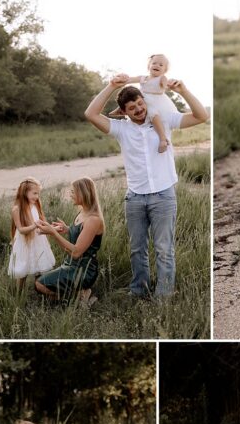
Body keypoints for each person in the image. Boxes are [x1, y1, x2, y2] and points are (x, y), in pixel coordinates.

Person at [84, 73, 209, 298]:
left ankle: (164, 295)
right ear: (124, 112)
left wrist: (183, 91)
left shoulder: (163, 120)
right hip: (135, 198)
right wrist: (111, 86)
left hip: (163, 196)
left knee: (164, 249)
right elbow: (90, 114)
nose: (139, 109)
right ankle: (138, 291)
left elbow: (201, 116)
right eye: (132, 108)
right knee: (137, 249)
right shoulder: (121, 129)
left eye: (140, 103)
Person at [35, 177, 104, 305]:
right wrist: (67, 229)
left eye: (73, 192)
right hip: (71, 264)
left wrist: (53, 233)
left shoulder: (93, 220)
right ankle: (79, 295)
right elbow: (81, 234)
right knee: (40, 282)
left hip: (83, 270)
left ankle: (78, 298)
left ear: (83, 193)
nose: (70, 195)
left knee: (40, 284)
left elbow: (76, 252)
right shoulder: (83, 212)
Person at [111, 53, 176, 153]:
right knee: (129, 101)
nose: (157, 65)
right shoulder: (143, 78)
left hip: (155, 102)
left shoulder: (162, 78)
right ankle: (119, 110)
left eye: (161, 65)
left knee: (153, 114)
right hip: (142, 100)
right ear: (149, 65)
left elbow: (165, 85)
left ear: (165, 70)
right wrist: (121, 79)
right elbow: (130, 79)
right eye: (154, 63)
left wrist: (168, 84)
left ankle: (163, 139)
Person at [7, 177, 55, 291]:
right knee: (23, 270)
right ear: (25, 192)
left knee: (39, 267)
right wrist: (35, 225)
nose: (37, 197)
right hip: (24, 243)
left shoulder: (35, 206)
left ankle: (40, 290)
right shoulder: (17, 209)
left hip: (38, 241)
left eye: (38, 194)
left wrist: (52, 228)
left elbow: (40, 223)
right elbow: (21, 230)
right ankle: (19, 293)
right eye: (34, 193)